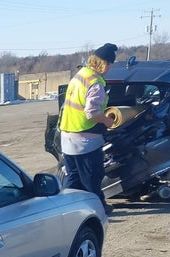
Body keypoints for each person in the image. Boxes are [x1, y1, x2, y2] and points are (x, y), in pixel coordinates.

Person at [59, 42, 118, 214]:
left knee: (74, 176)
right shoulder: (96, 83)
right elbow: (91, 112)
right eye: (110, 65)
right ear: (105, 63)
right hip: (86, 139)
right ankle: (98, 209)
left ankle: (67, 208)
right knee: (91, 178)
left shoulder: (80, 75)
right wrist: (106, 121)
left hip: (68, 135)